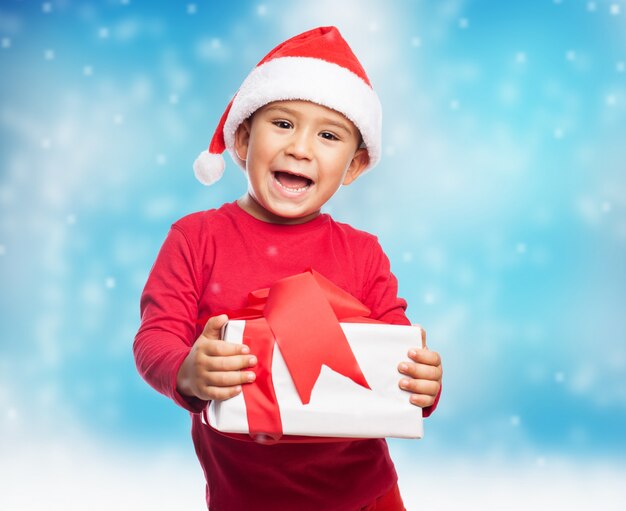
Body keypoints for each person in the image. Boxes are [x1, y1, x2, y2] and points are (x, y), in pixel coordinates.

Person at [134, 26, 442, 511]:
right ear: (241, 138)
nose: (301, 148)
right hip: (245, 497)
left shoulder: (363, 253)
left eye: (328, 135)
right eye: (282, 124)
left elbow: (396, 354)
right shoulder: (195, 239)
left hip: (365, 494)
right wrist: (186, 370)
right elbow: (155, 337)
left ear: (355, 166)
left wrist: (422, 384)